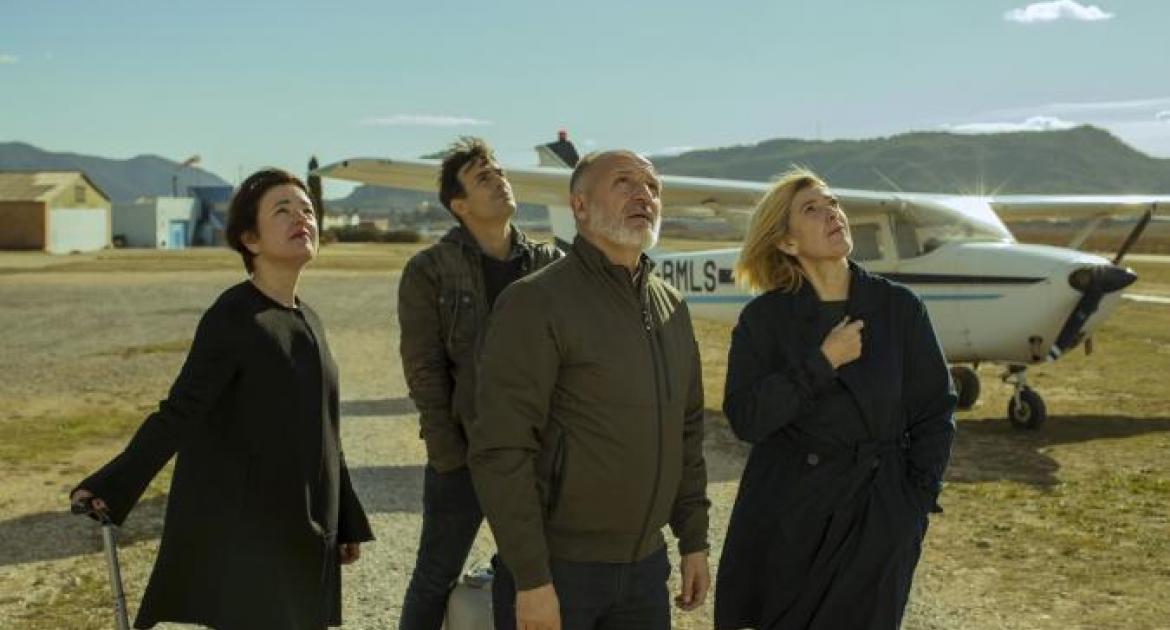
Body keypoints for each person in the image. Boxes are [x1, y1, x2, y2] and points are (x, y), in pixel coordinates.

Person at [69, 169, 373, 630]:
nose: (302, 219)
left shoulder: (309, 319)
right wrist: (113, 483)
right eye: (283, 210)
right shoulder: (233, 317)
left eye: (308, 210)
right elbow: (181, 411)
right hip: (254, 534)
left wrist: (345, 517)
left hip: (306, 528)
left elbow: (326, 429)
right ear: (250, 239)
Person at [469, 150, 711, 630]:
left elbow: (686, 432)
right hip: (561, 573)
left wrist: (694, 541)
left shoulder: (672, 307)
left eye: (653, 187)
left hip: (645, 572)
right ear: (579, 206)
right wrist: (531, 578)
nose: (644, 195)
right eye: (624, 182)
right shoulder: (536, 301)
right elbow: (501, 448)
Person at [714, 168, 956, 630]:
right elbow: (747, 418)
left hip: (878, 515)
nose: (832, 214)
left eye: (833, 204)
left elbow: (934, 411)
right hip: (791, 518)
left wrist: (913, 504)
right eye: (812, 209)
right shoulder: (763, 320)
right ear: (786, 242)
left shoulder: (899, 308)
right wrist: (822, 363)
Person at [396, 137, 562, 629]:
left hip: (534, 453)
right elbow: (423, 370)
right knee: (435, 576)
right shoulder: (429, 270)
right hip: (464, 454)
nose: (499, 181)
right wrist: (447, 453)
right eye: (483, 177)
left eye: (500, 172)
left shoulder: (550, 264)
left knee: (526, 573)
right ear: (459, 205)